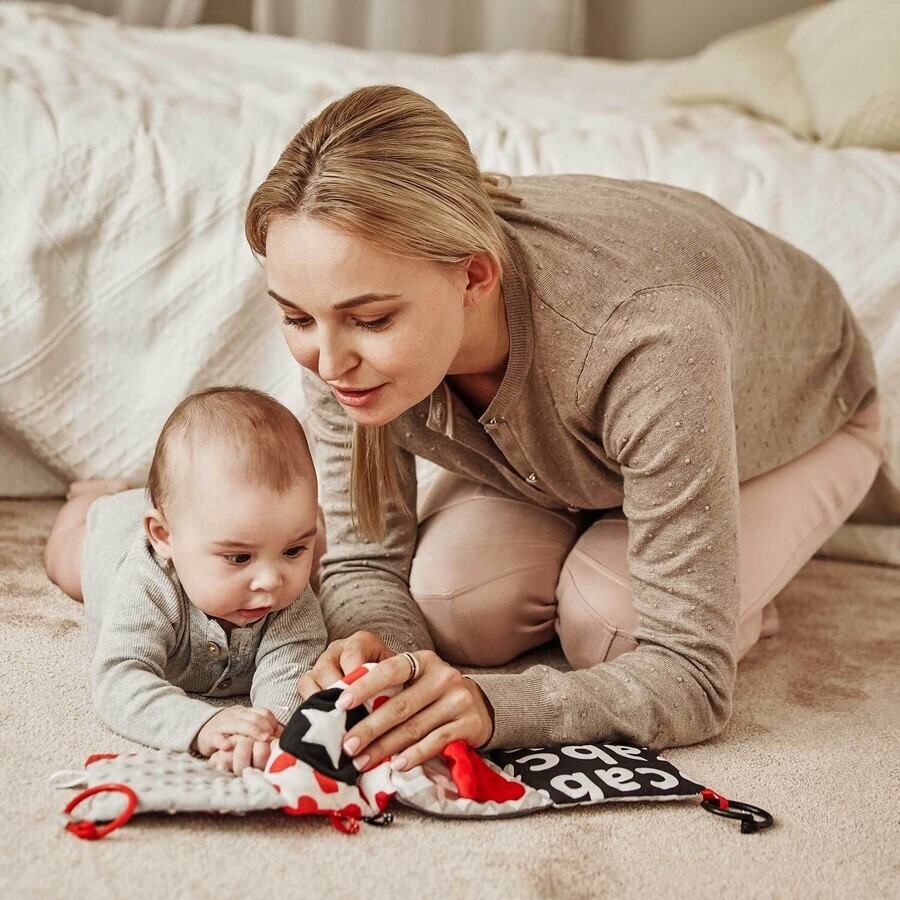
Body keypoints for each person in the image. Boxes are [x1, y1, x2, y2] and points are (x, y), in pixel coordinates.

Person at [240, 83, 887, 777]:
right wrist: (392, 663)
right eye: (298, 319)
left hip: (807, 417)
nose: (329, 364)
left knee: (609, 625)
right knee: (451, 608)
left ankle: (730, 584)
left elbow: (692, 679)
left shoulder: (650, 335)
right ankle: (632, 532)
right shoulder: (340, 314)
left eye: (371, 321)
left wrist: (493, 708)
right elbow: (367, 560)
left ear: (475, 277)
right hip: (576, 454)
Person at [43, 386, 328, 774]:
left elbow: (293, 670)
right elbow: (119, 681)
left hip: (188, 517)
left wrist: (263, 733)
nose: (270, 581)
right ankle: (89, 496)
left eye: (293, 550)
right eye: (239, 557)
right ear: (164, 537)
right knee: (62, 562)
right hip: (111, 534)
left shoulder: (288, 597)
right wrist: (204, 724)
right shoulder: (146, 587)